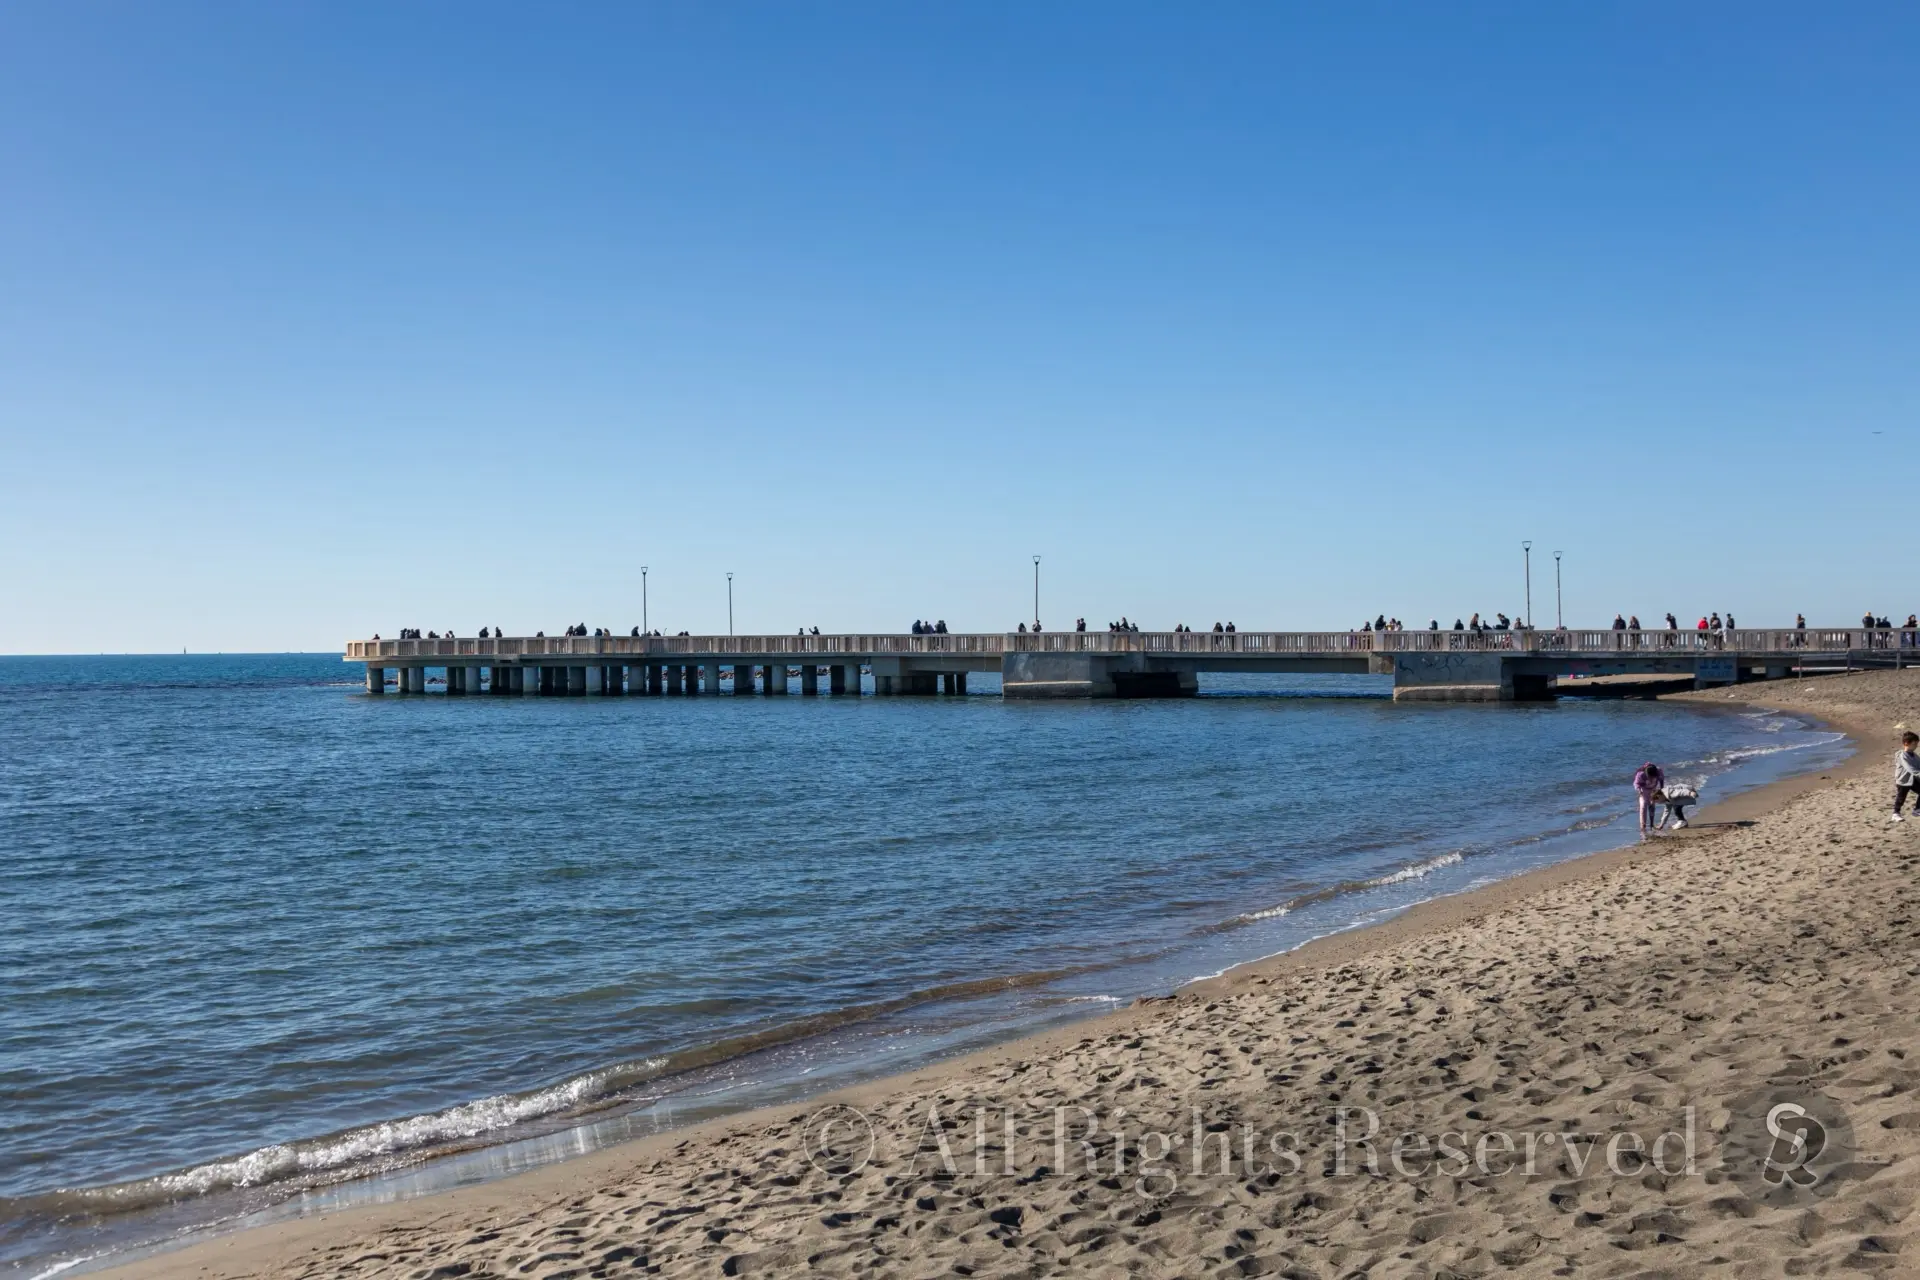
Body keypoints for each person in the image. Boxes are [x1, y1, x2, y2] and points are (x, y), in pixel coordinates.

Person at [1894, 732, 1920, 822]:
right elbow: (1911, 769)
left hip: (1913, 779)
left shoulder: (1914, 755)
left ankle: (1917, 810)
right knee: (1901, 797)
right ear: (1906, 743)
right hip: (1903, 780)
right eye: (1914, 743)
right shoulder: (1902, 756)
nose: (1916, 745)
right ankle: (1896, 813)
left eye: (1917, 743)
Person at [1634, 762, 1665, 836]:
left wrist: (1661, 790)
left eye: (1652, 777)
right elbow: (1636, 783)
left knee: (1652, 806)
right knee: (1643, 806)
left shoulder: (1659, 771)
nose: (1651, 778)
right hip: (1643, 790)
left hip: (1653, 789)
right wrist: (1639, 790)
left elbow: (1661, 780)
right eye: (1649, 777)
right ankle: (1643, 826)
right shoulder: (1641, 774)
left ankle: (1651, 824)